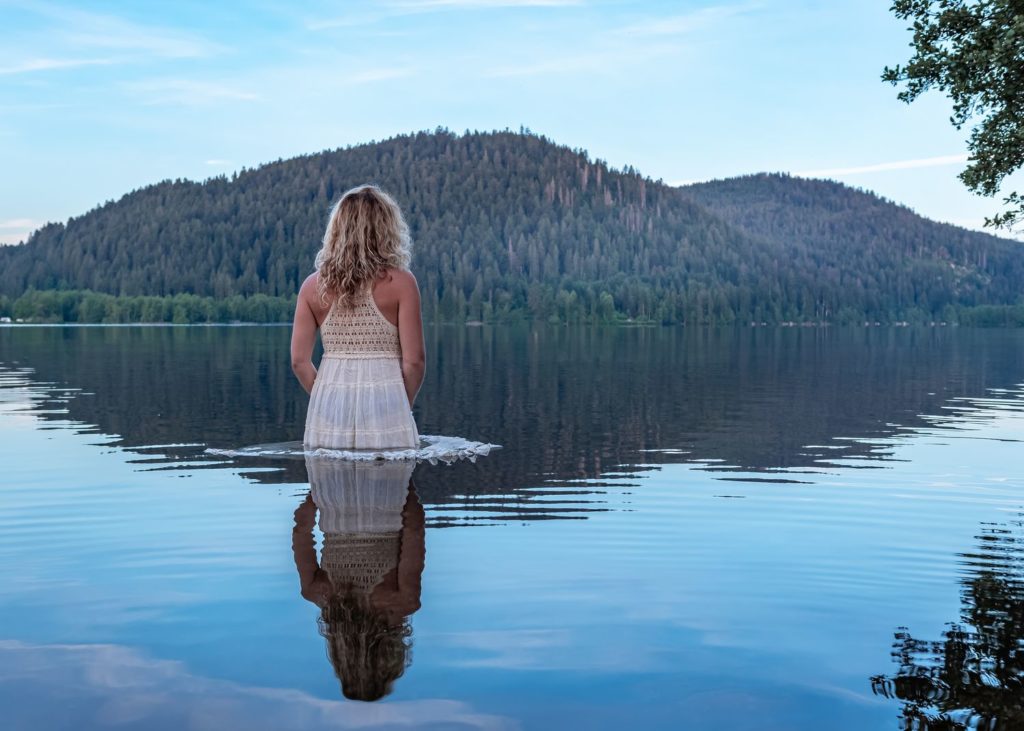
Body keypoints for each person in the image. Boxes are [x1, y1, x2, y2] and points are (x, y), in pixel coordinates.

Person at [291, 184, 425, 451]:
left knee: (324, 490)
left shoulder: (311, 287)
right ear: (386, 229)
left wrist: (326, 399)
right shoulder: (401, 283)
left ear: (337, 230)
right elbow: (415, 362)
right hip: (388, 404)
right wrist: (399, 402)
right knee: (398, 490)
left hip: (328, 409)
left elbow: (299, 362)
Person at [292, 457, 425, 701]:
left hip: (386, 491)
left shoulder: (403, 603)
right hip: (336, 489)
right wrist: (321, 487)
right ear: (339, 659)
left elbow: (413, 527)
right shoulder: (317, 593)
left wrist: (404, 475)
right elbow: (302, 527)